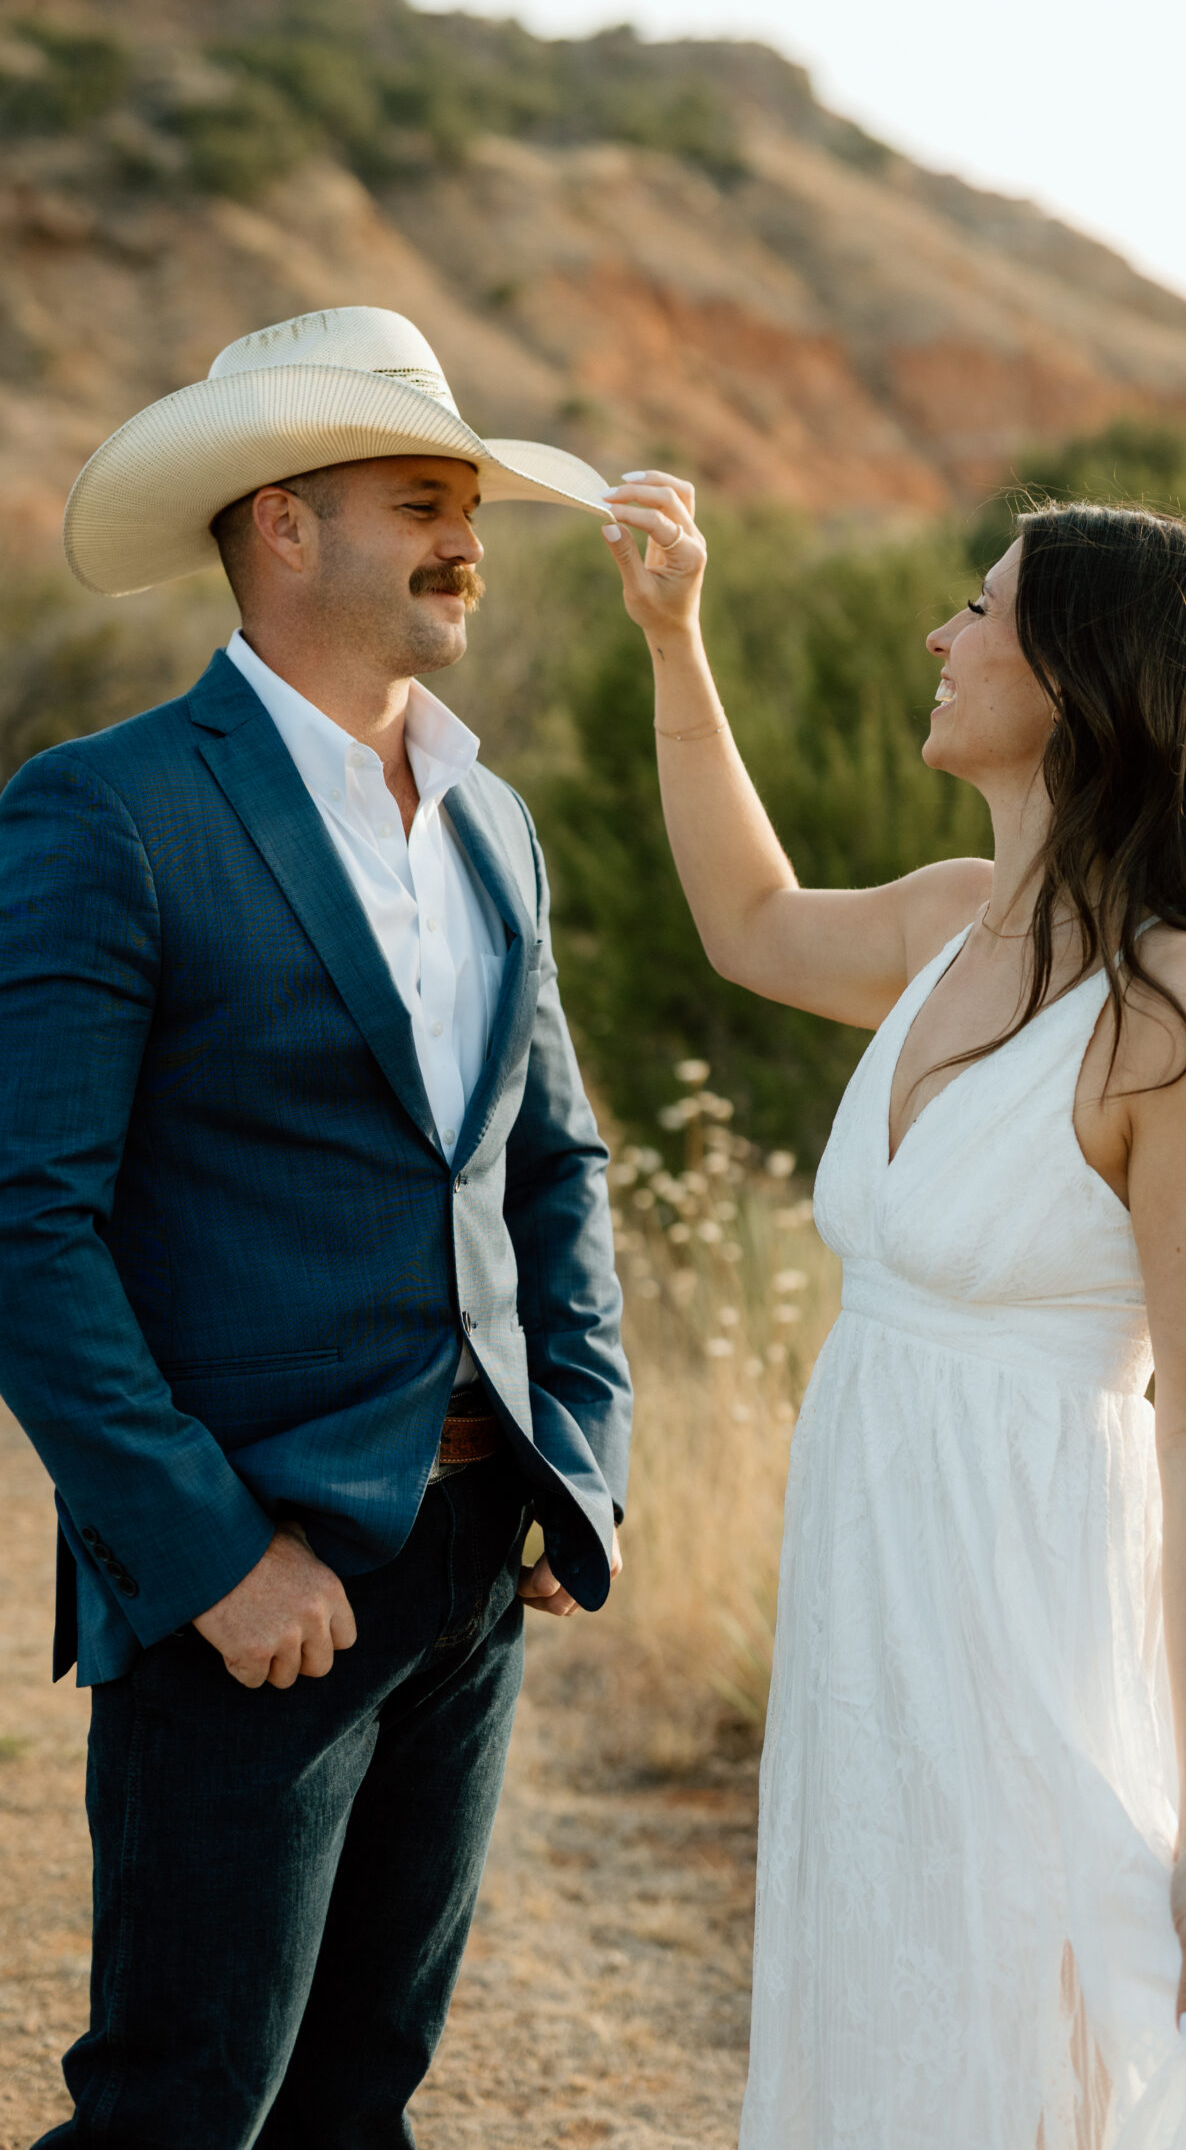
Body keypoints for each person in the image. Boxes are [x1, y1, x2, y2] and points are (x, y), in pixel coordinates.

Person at [598, 469, 1186, 2148]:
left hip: (1027, 1613)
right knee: (876, 2021)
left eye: (980, 609)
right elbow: (745, 924)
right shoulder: (955, 920)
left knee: (1020, 2064)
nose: (938, 635)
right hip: (869, 1595)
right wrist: (678, 642)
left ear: (1084, 684)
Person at [0, 307, 632, 2148]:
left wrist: (570, 1452)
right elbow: (27, 1224)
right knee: (184, 2108)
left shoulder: (494, 821)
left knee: (361, 2099)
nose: (468, 540)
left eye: (471, 504)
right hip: (253, 1581)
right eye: (423, 500)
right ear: (284, 525)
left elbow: (554, 1165)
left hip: (471, 1559)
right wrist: (204, 1554)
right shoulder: (104, 814)